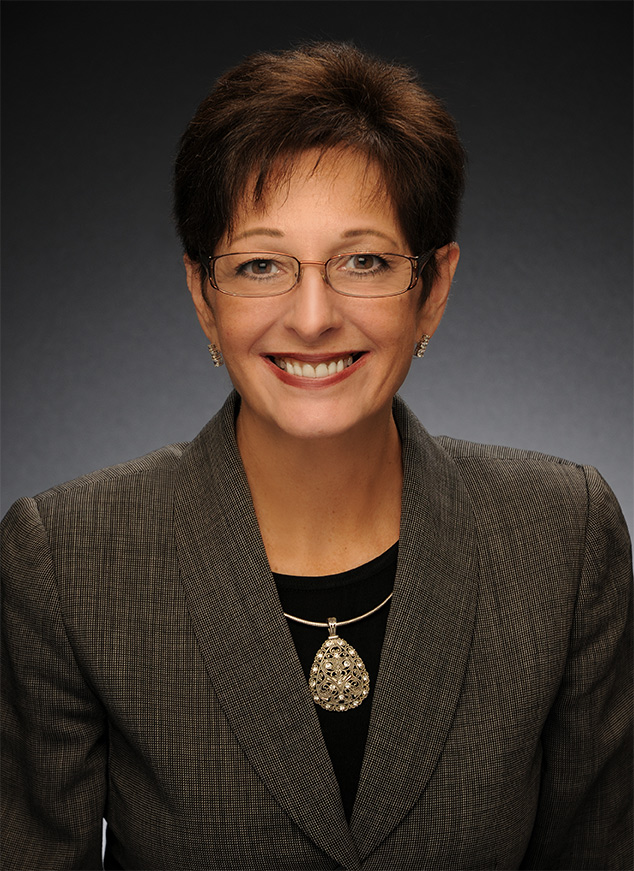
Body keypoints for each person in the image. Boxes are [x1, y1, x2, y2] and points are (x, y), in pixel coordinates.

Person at [1, 41, 631, 871]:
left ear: (432, 290)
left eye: (362, 261)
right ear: (202, 295)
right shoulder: (69, 557)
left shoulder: (565, 534)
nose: (310, 317)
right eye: (261, 264)